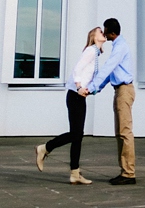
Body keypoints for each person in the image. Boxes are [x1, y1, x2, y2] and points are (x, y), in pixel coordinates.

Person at [36, 26, 105, 185]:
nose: (103, 33)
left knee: (78, 135)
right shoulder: (90, 50)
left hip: (79, 97)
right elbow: (77, 69)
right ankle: (45, 148)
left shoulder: (95, 53)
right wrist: (80, 86)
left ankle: (75, 173)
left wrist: (90, 90)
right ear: (94, 37)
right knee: (76, 134)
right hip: (75, 95)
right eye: (100, 31)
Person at [81, 17, 136, 185]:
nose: (104, 34)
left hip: (124, 91)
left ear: (112, 33)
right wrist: (94, 89)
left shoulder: (120, 48)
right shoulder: (118, 47)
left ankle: (129, 173)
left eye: (105, 31)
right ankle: (125, 171)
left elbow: (107, 69)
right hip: (120, 91)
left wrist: (91, 87)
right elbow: (110, 74)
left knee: (125, 132)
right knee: (120, 132)